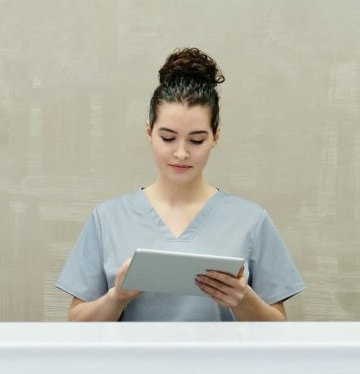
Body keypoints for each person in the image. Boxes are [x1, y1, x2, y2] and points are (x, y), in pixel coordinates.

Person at [56, 47, 305, 321]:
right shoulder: (107, 219)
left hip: (221, 365)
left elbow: (279, 328)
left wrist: (243, 299)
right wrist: (117, 296)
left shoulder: (251, 221)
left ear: (216, 137)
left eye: (197, 140)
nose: (181, 153)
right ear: (149, 132)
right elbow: (77, 323)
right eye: (168, 138)